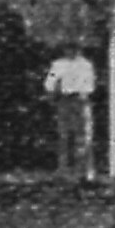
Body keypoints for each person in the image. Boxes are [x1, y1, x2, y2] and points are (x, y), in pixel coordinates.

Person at [43, 46, 99, 180]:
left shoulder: (86, 65)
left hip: (81, 99)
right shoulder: (58, 64)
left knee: (85, 135)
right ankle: (63, 169)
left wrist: (83, 91)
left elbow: (90, 83)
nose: (71, 51)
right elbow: (49, 83)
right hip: (65, 99)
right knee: (64, 135)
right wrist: (54, 90)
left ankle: (86, 170)